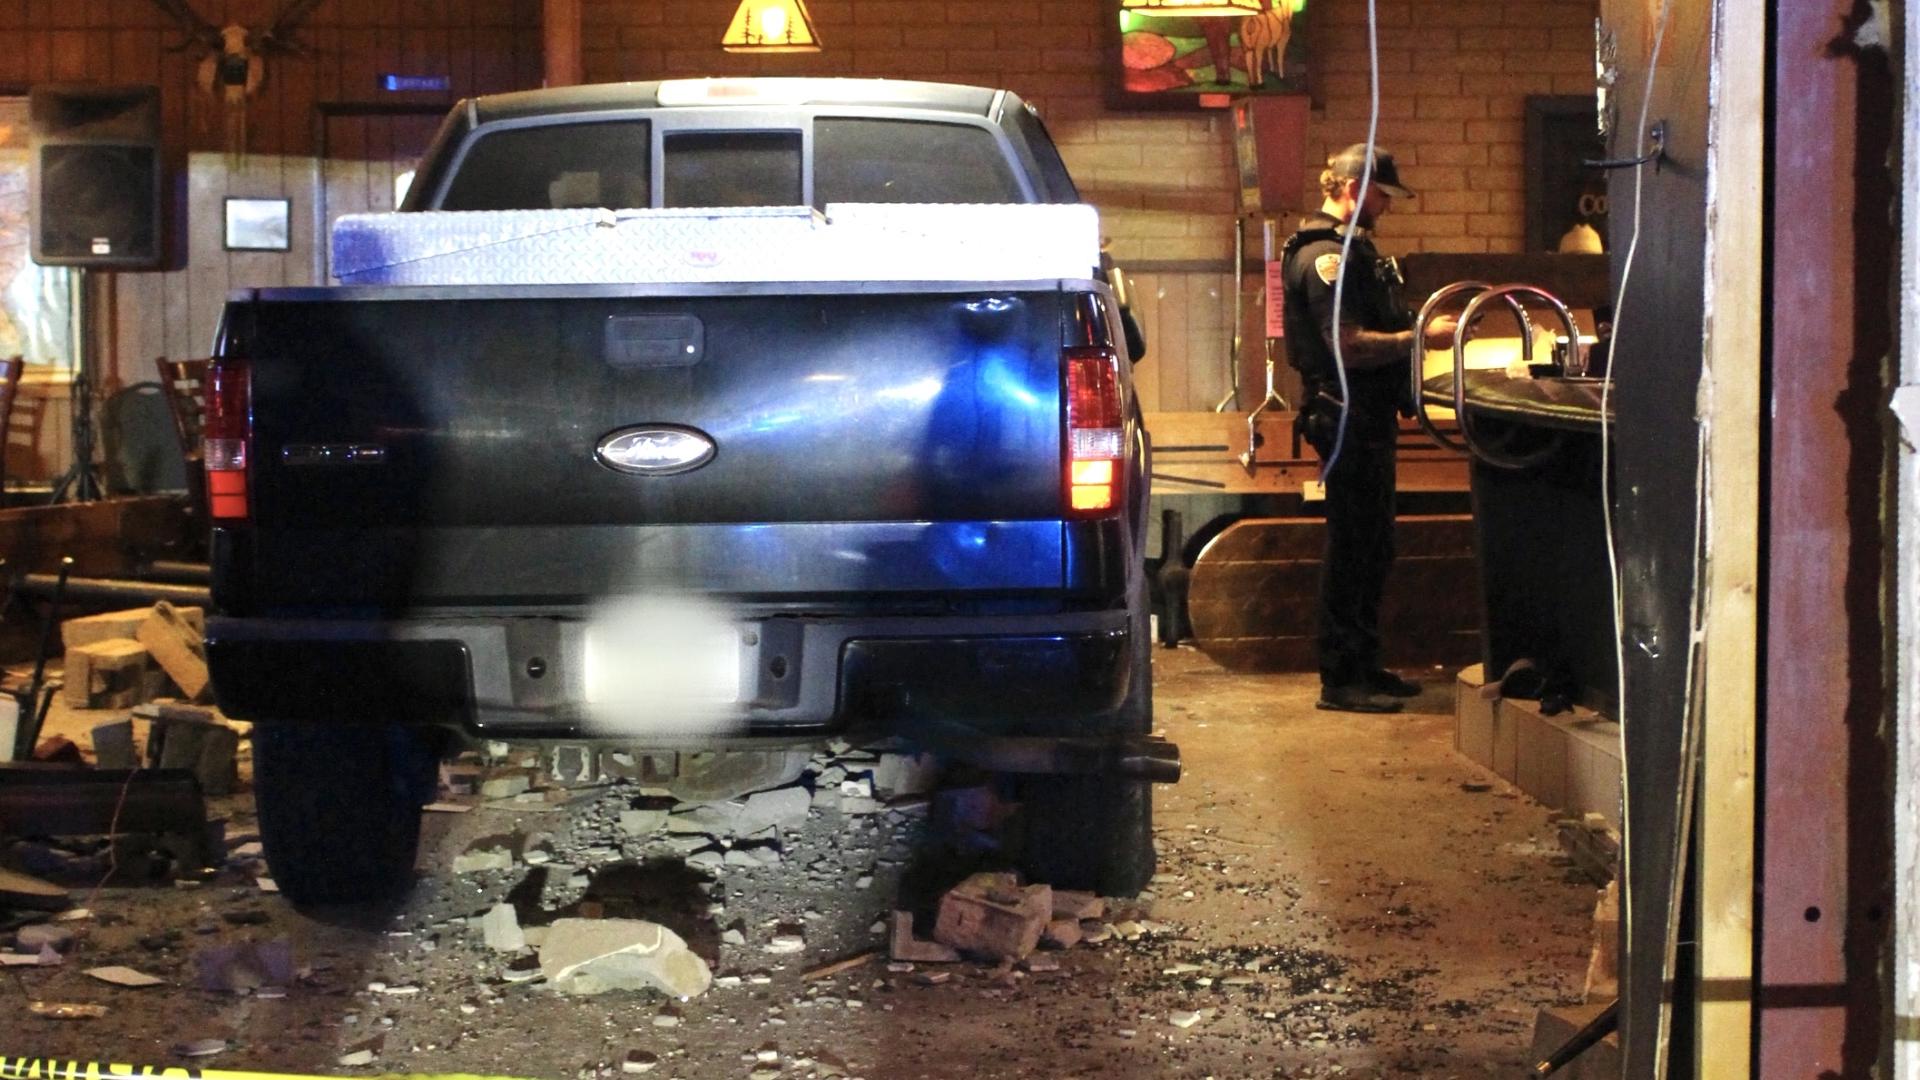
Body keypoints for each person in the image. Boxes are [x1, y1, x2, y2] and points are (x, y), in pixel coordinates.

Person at [1280, 144, 1458, 714]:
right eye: (1382, 194)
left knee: (1372, 546)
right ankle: (1341, 678)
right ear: (1354, 189)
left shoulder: (1355, 252)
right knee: (1354, 547)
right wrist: (1421, 337)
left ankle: (1362, 663)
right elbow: (1348, 345)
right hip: (1345, 414)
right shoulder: (1324, 259)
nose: (1386, 206)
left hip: (1365, 416)